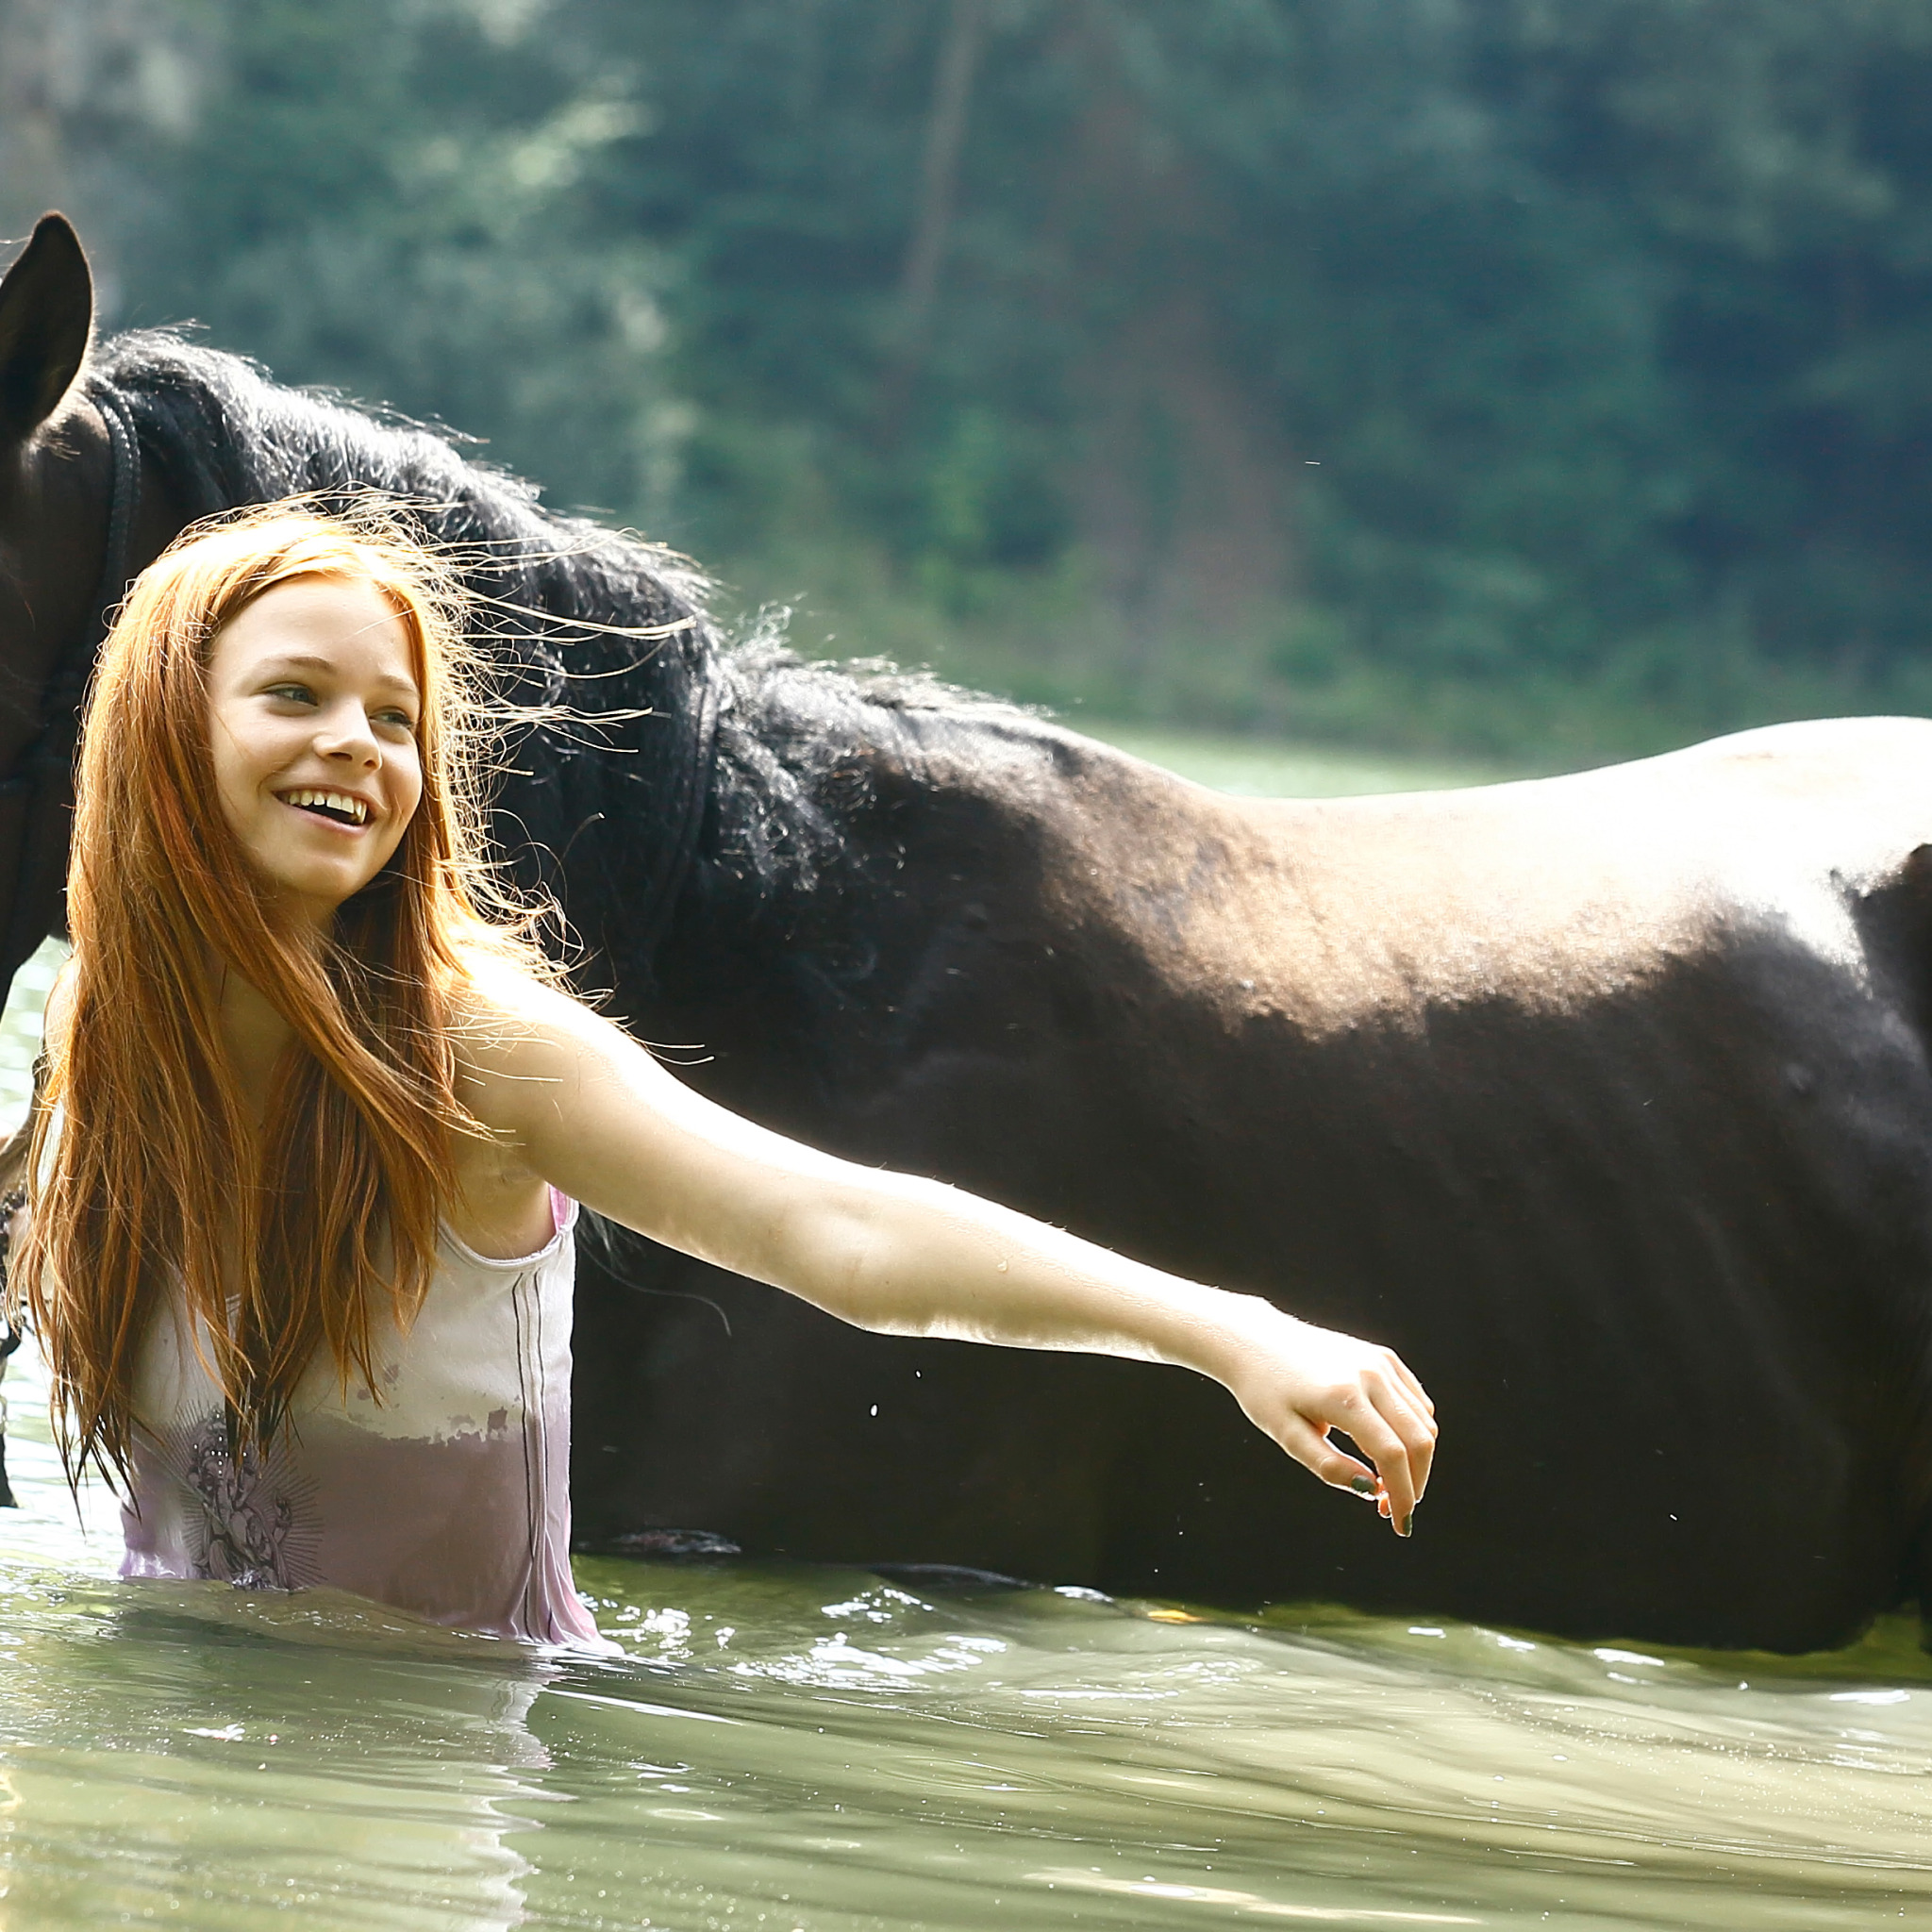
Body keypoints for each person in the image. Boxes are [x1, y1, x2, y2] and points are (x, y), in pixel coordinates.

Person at [9, 505, 1436, 1647]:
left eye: (396, 719)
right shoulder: (98, 1067)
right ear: (166, 739)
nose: (357, 748)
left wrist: (1229, 1331)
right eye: (295, 695)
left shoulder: (479, 1054)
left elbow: (844, 1233)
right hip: (161, 1746)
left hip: (423, 1788)